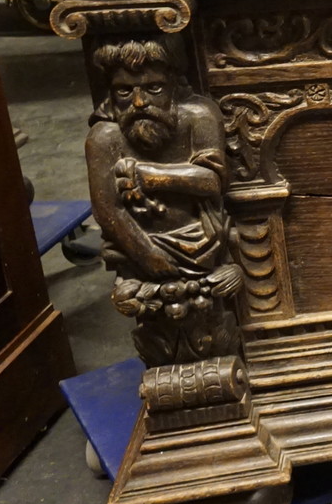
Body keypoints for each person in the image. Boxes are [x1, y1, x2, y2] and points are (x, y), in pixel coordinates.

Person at [86, 37, 242, 365]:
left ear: (174, 84)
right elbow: (108, 209)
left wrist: (145, 174)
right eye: (124, 91)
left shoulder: (198, 116)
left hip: (204, 241)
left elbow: (211, 181)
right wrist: (149, 255)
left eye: (154, 87)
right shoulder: (105, 138)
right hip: (150, 251)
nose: (140, 102)